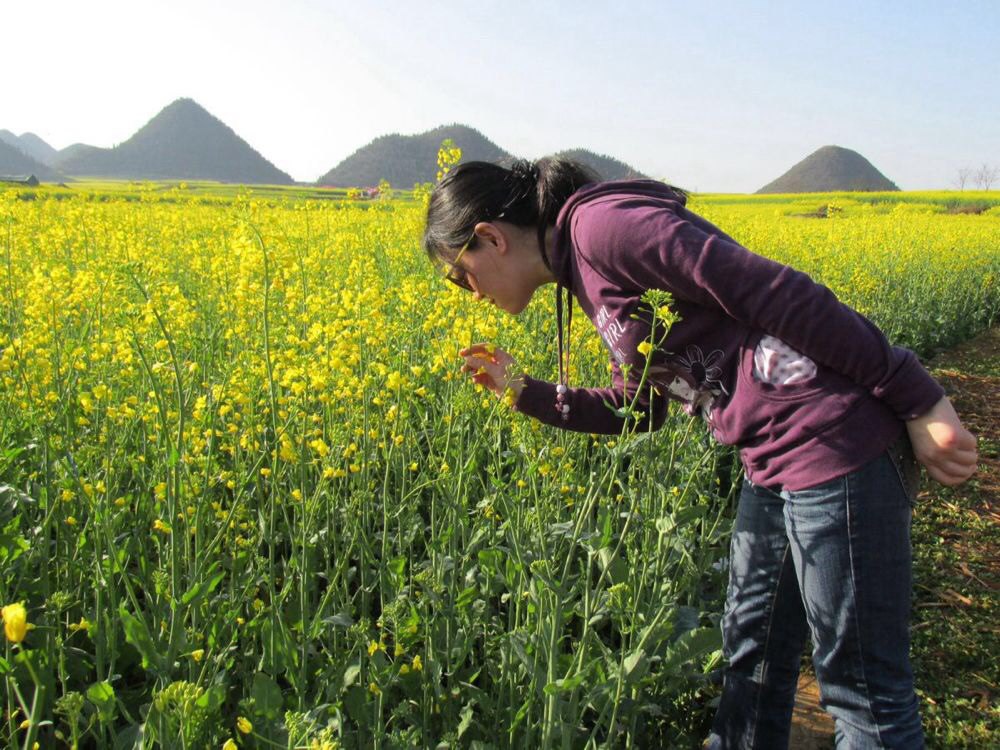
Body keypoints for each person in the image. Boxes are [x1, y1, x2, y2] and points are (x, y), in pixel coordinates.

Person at [422, 158, 978, 749]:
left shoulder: (604, 228)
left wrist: (919, 400)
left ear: (491, 238)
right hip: (770, 458)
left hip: (835, 442)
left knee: (862, 693)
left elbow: (778, 293)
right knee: (752, 656)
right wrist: (525, 393)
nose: (471, 295)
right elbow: (641, 408)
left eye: (462, 276)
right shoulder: (581, 270)